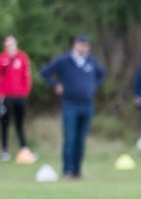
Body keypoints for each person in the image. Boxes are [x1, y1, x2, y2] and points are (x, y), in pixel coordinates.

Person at [41, 34, 105, 179]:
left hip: (87, 104)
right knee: (70, 138)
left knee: (81, 139)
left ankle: (77, 170)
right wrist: (55, 85)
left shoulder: (91, 61)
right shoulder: (64, 61)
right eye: (81, 44)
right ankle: (67, 170)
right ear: (75, 45)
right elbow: (45, 73)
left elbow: (102, 74)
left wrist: (94, 86)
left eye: (86, 45)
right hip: (70, 103)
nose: (84, 47)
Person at [0, 35, 33, 162]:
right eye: (8, 44)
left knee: (19, 123)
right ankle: (4, 150)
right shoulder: (1, 59)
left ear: (16, 44)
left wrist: (25, 91)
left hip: (20, 96)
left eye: (12, 44)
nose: (10, 47)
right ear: (5, 46)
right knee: (4, 123)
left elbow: (27, 76)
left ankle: (24, 148)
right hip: (6, 97)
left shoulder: (22, 57)